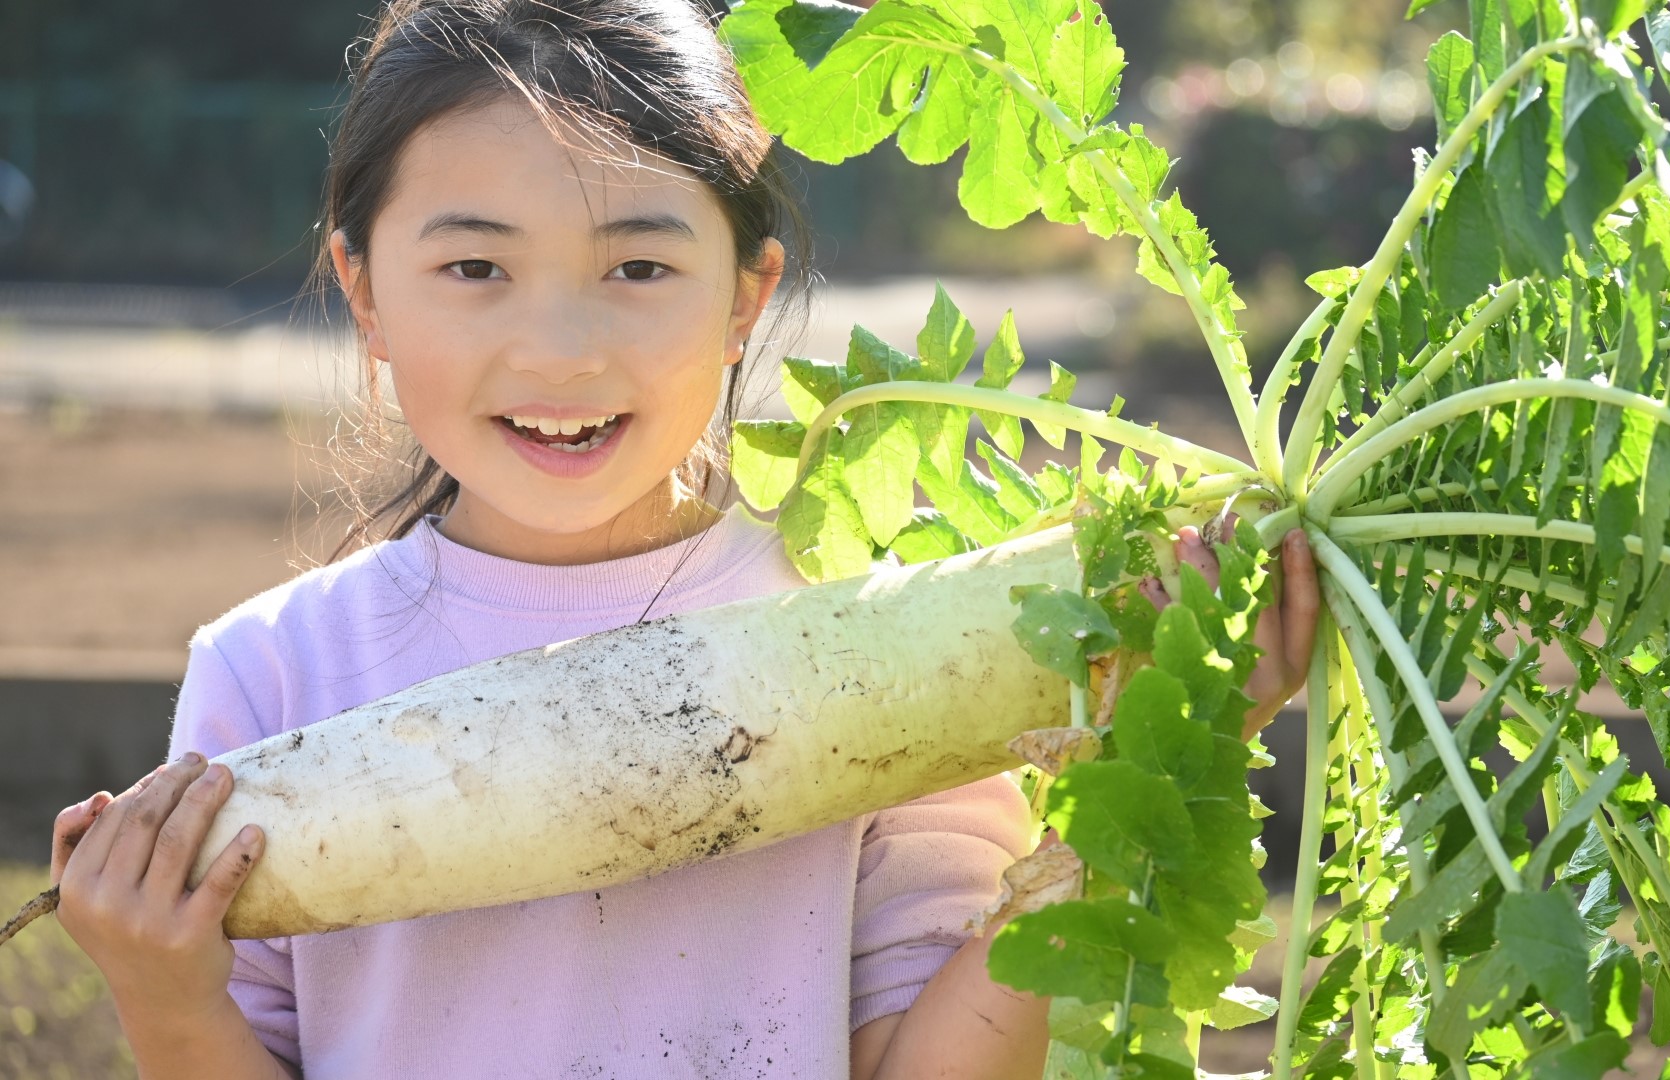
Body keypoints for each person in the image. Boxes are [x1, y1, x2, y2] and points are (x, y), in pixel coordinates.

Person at [42, 2, 1321, 1077]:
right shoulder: (270, 674)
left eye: (637, 269)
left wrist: (1150, 778)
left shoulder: (890, 645)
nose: (560, 348)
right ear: (366, 294)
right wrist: (166, 996)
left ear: (744, 296)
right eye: (476, 270)